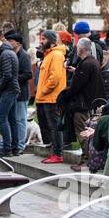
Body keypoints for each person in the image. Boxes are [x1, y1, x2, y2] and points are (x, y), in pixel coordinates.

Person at [61, 38, 104, 158]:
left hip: (82, 105)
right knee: (88, 132)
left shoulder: (86, 64)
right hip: (90, 103)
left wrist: (65, 95)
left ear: (81, 49)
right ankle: (89, 158)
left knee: (83, 132)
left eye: (77, 48)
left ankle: (87, 159)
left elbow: (77, 86)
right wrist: (77, 71)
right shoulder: (93, 62)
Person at [32, 31, 65, 160]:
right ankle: (53, 152)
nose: (41, 41)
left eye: (44, 39)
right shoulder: (49, 55)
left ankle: (58, 154)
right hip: (45, 98)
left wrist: (44, 90)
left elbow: (55, 77)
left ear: (51, 41)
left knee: (55, 127)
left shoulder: (56, 55)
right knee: (49, 127)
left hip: (52, 98)